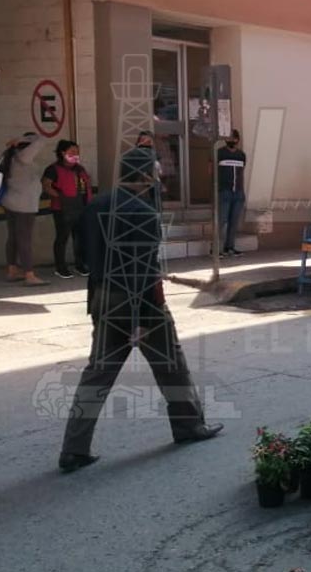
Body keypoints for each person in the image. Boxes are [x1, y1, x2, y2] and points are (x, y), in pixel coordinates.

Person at [58, 147, 223, 473]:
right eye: (157, 174)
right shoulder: (144, 213)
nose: (161, 180)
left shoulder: (96, 206)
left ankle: (73, 449)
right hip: (141, 301)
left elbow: (86, 255)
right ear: (145, 175)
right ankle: (189, 425)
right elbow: (141, 270)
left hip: (103, 297)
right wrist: (140, 321)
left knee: (98, 374)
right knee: (171, 365)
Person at [1, 132, 50, 286]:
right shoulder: (24, 157)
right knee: (24, 240)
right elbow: (42, 139)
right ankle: (29, 275)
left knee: (13, 237)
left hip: (9, 202)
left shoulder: (6, 158)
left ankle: (12, 270)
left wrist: (15, 142)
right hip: (25, 205)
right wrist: (21, 138)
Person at [41, 139, 92, 279]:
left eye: (77, 152)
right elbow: (46, 185)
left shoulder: (79, 169)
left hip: (81, 206)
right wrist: (61, 197)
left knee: (80, 237)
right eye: (72, 152)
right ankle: (60, 267)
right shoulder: (53, 169)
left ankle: (80, 264)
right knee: (62, 237)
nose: (76, 154)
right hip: (62, 208)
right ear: (62, 152)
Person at [214, 129, 247, 257]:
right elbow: (212, 170)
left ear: (237, 140)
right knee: (221, 221)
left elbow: (242, 171)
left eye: (233, 138)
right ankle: (216, 249)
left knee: (234, 222)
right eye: (228, 138)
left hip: (238, 192)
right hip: (224, 191)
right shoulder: (220, 153)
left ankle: (230, 247)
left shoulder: (241, 155)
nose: (230, 140)